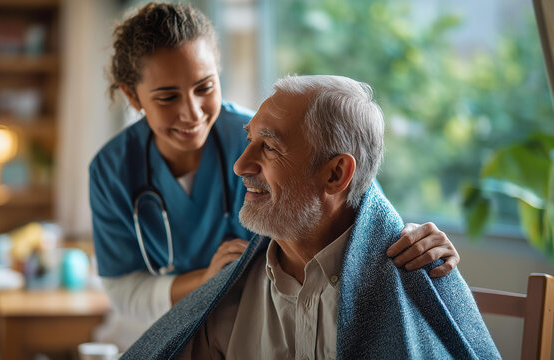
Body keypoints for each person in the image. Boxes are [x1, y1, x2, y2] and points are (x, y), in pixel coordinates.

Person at [90, 2, 461, 349]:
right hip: (168, 329)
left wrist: (414, 237)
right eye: (168, 97)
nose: (192, 112)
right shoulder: (113, 169)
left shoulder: (259, 134)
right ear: (133, 96)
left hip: (257, 327)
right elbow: (123, 290)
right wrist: (204, 284)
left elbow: (356, 199)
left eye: (205, 87)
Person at [122, 75, 500, 359]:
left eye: (269, 147)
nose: (241, 165)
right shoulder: (231, 290)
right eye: (249, 139)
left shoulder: (412, 274)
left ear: (336, 174)